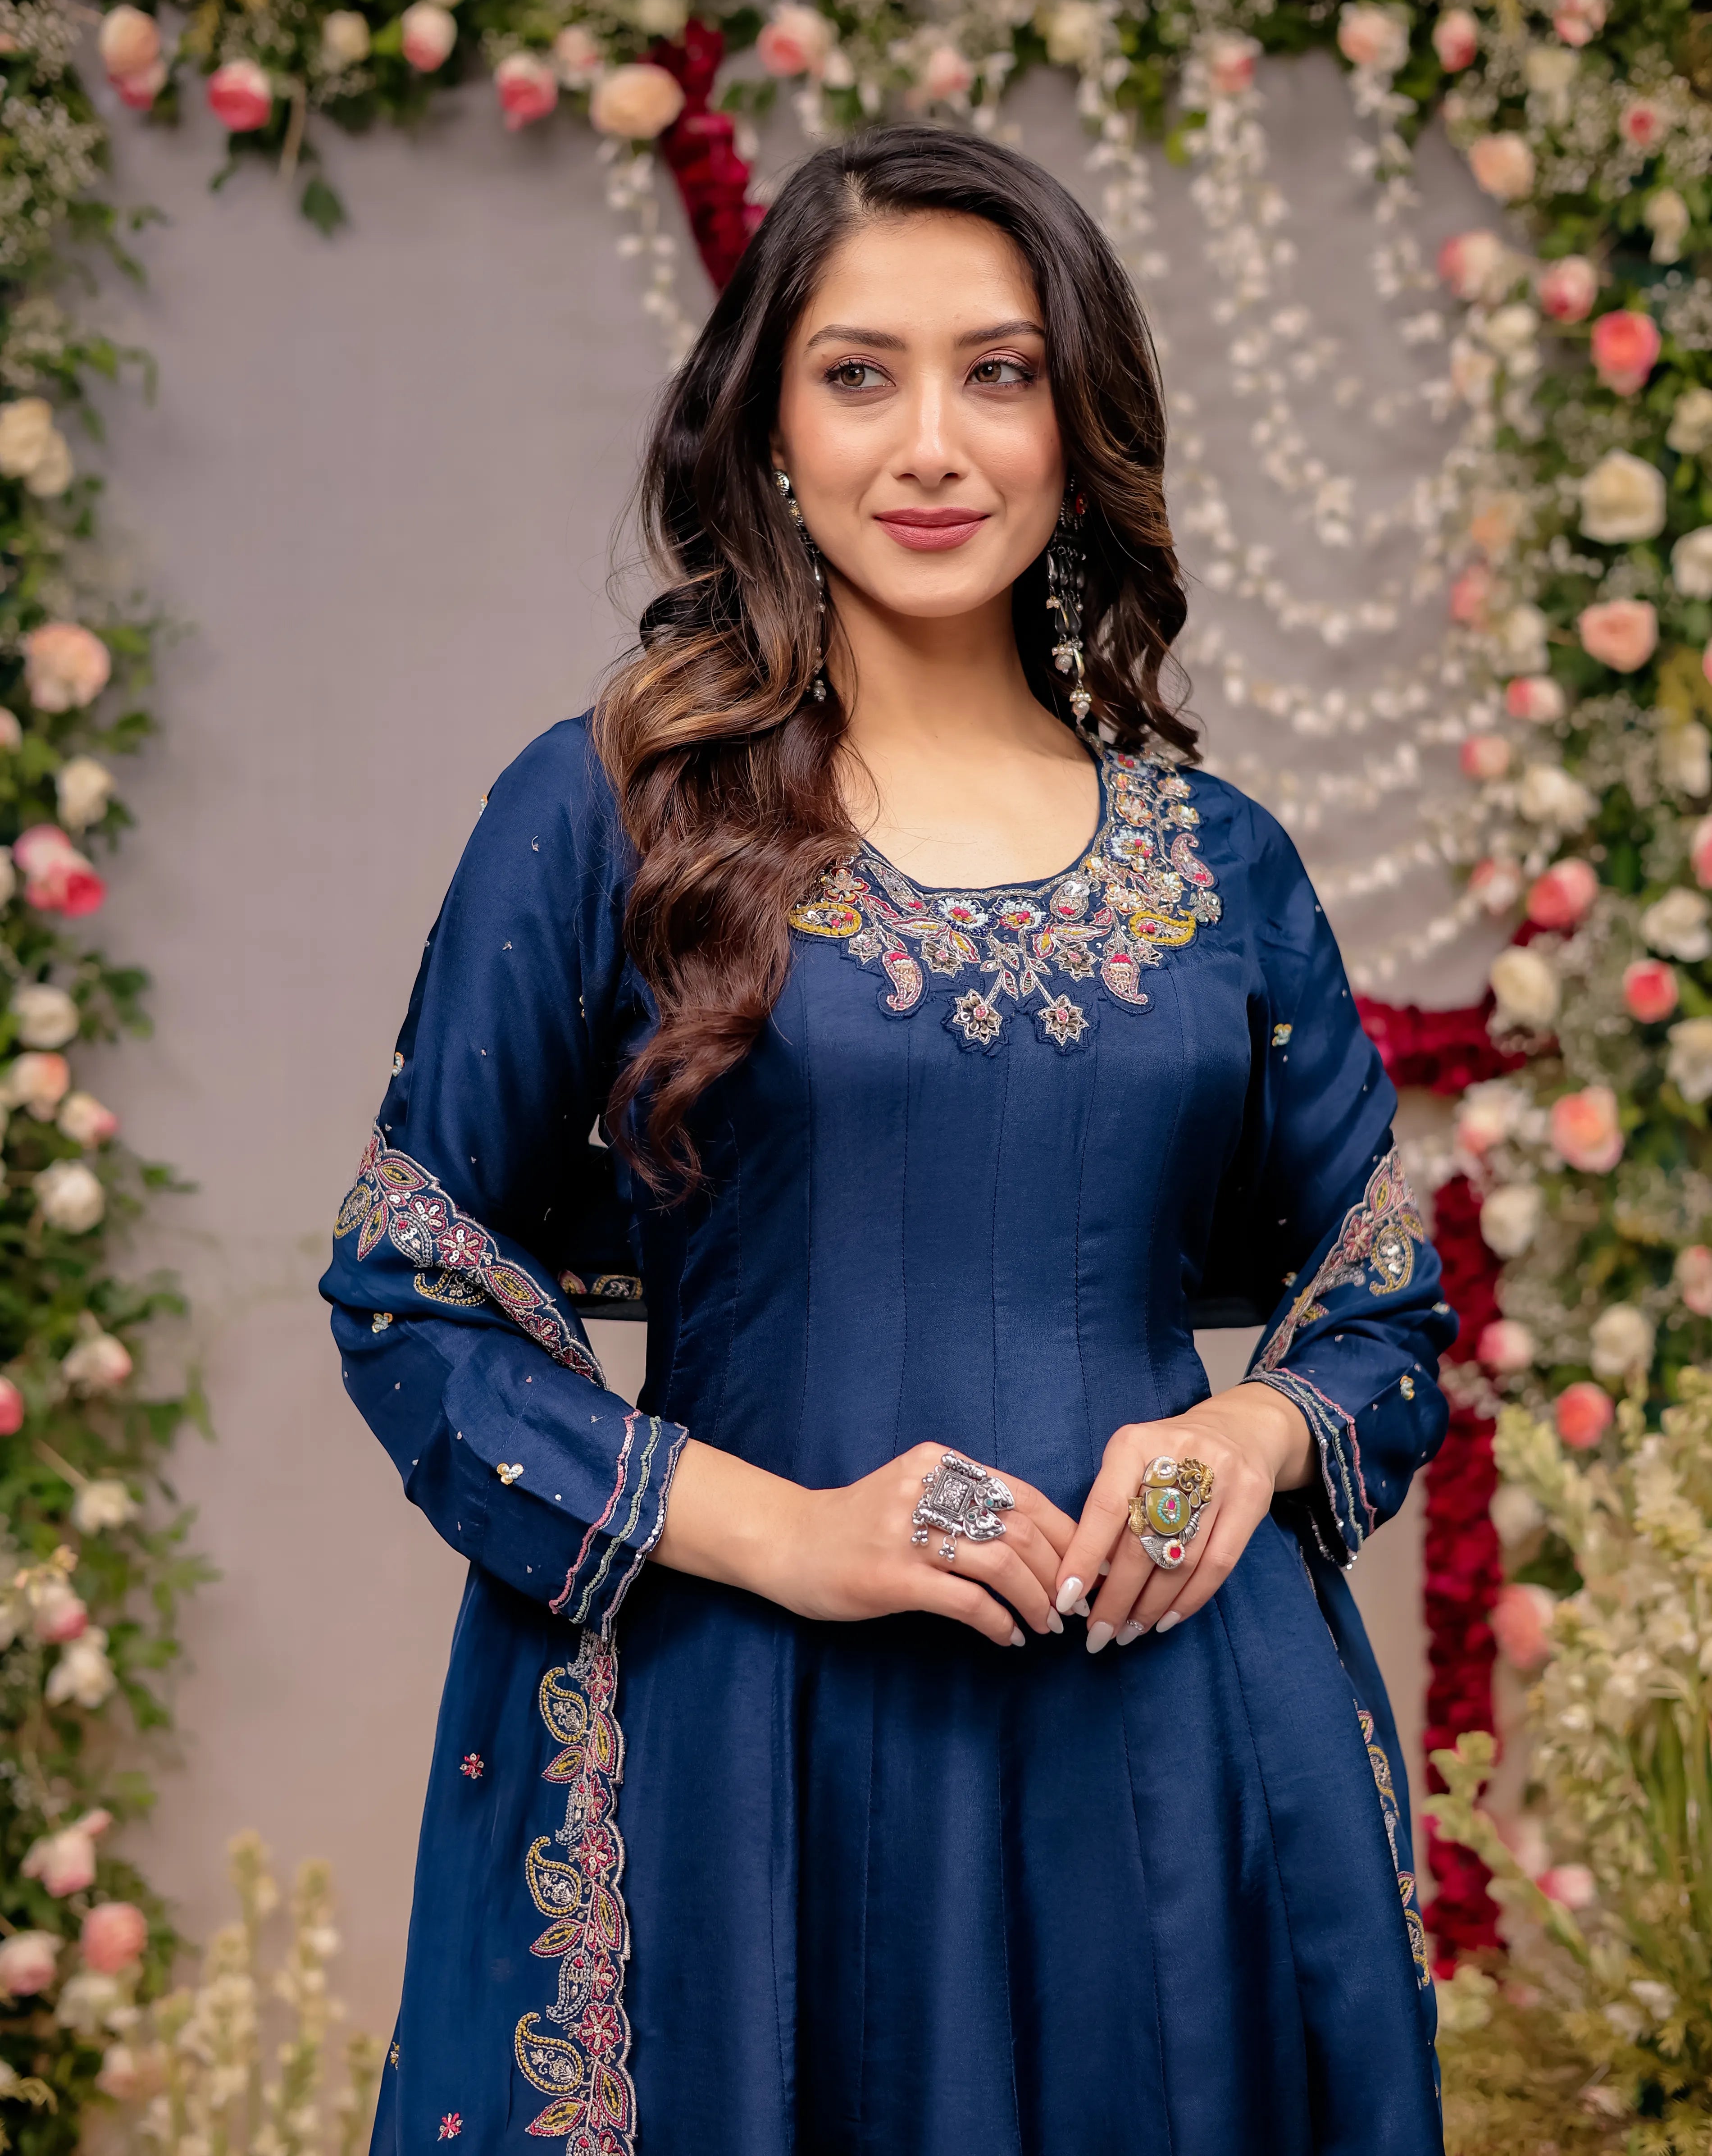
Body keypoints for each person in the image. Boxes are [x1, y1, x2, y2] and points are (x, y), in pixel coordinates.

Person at [324, 123, 1455, 2156]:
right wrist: (800, 1534)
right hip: (752, 1745)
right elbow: (412, 1287)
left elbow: (1372, 1308)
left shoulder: (1221, 865)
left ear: (1072, 417)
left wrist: (1238, 1443)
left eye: (995, 372)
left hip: (1171, 1739)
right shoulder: (614, 809)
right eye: (859, 373)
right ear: (765, 421)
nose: (929, 443)